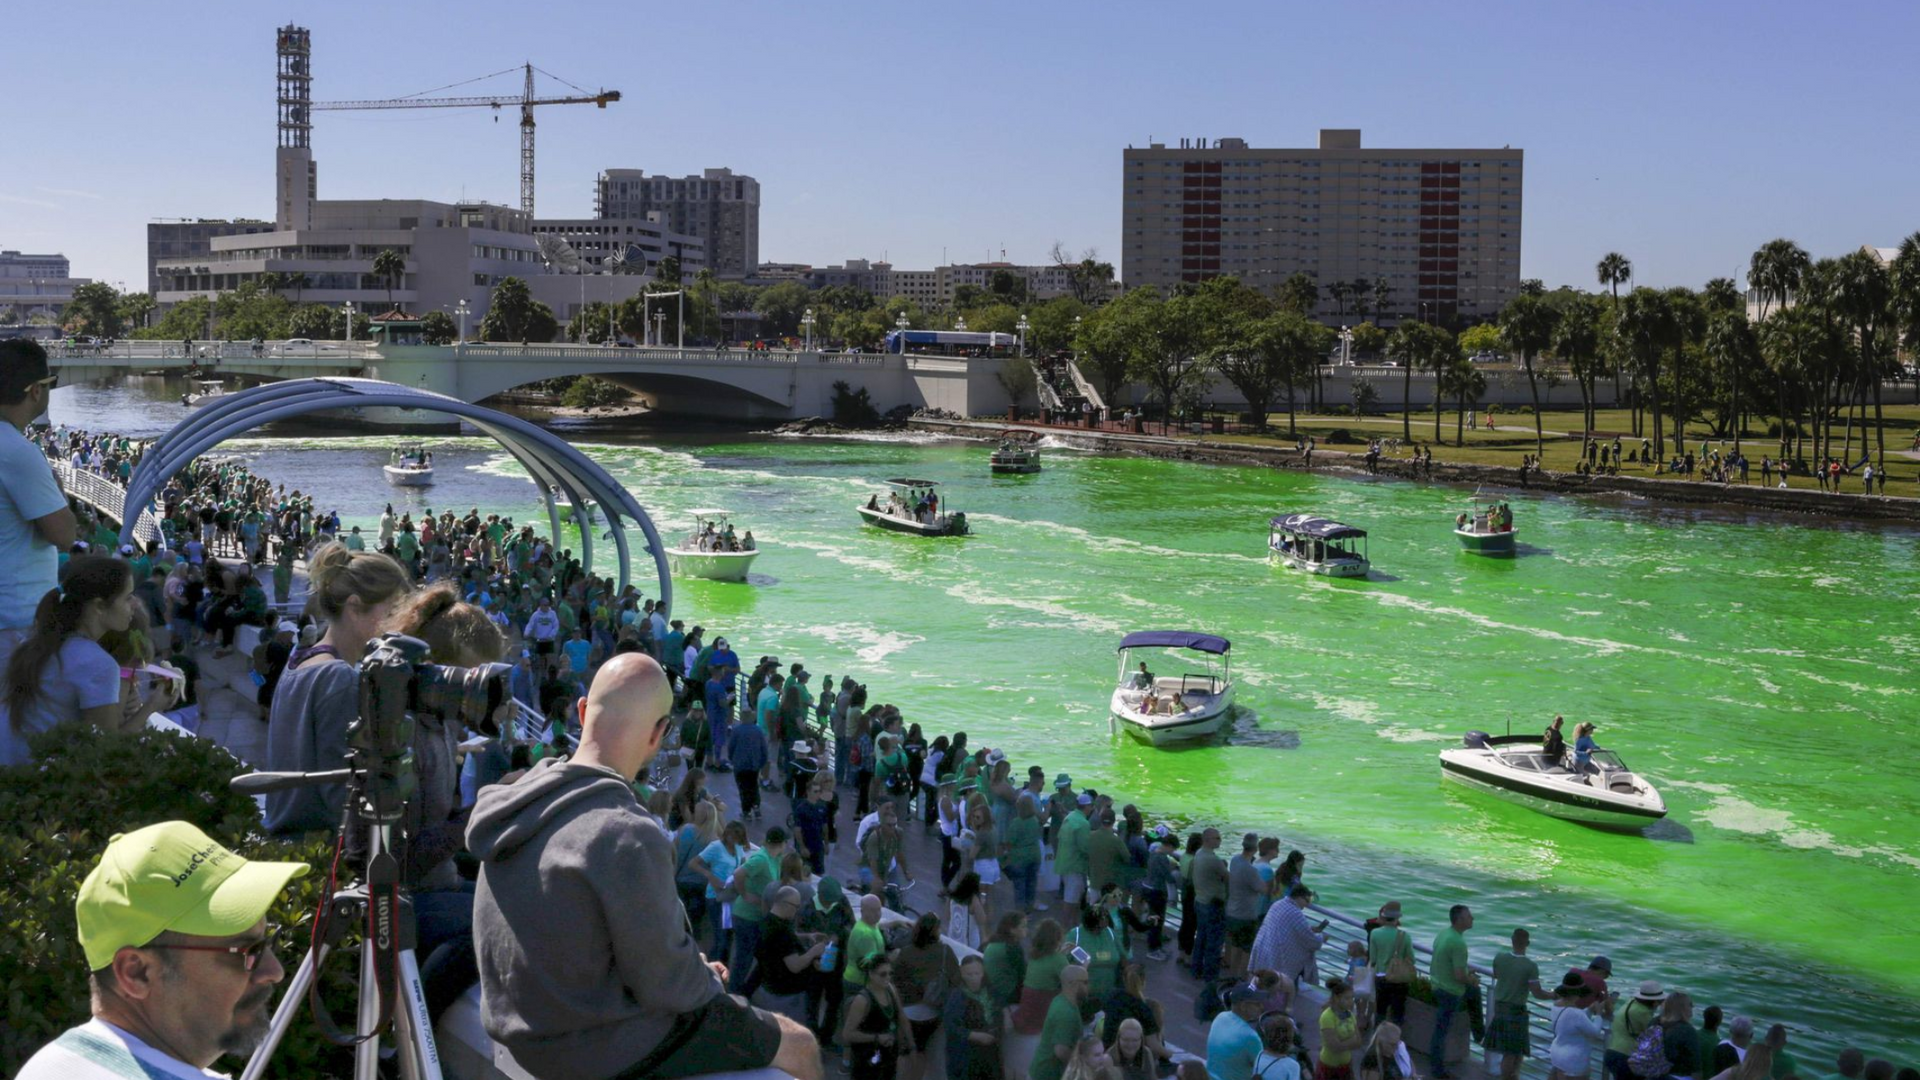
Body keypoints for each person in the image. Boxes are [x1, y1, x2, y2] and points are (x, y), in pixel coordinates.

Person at [465, 653, 821, 1080]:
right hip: (587, 1048)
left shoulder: (517, 802)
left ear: (582, 712)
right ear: (659, 734)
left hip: (519, 1029)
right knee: (799, 1044)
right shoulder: (627, 832)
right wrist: (705, 978)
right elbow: (668, 985)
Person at [13, 821, 308, 1080]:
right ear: (136, 973)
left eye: (267, 943)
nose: (275, 972)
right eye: (248, 951)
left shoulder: (54, 1063)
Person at [263, 542, 412, 834]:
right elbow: (342, 796)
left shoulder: (300, 659)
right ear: (355, 607)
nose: (400, 623)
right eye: (393, 610)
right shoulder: (339, 677)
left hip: (287, 838)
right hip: (319, 854)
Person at [2, 556, 177, 767]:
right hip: (39, 781)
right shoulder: (97, 663)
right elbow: (104, 750)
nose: (134, 604)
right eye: (127, 597)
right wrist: (153, 706)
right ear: (99, 606)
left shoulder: (39, 642)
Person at [0, 340, 78, 668]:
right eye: (50, 384)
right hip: (17, 616)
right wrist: (58, 489)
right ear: (34, 390)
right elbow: (64, 534)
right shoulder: (16, 450)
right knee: (21, 716)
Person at [754, 886, 827, 1025]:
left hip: (769, 986)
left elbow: (782, 945)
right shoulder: (782, 931)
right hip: (787, 994)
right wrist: (814, 951)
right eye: (796, 906)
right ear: (786, 904)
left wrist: (806, 936)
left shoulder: (766, 921)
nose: (797, 910)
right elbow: (795, 966)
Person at [1490, 928, 1555, 1079]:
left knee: (1514, 1050)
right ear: (1528, 943)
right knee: (1512, 1052)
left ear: (1511, 940)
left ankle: (1514, 1076)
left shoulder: (1499, 958)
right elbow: (1537, 993)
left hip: (1499, 1007)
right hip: (1516, 1010)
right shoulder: (1530, 966)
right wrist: (1553, 995)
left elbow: (1496, 974)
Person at [1249, 883, 1328, 1008]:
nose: (1307, 904)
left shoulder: (1278, 904)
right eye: (1307, 900)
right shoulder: (1296, 913)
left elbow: (1290, 929)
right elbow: (1309, 939)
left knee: (1262, 985)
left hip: (1264, 949)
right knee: (1284, 988)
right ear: (1300, 897)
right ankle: (1283, 1010)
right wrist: (1322, 937)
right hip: (1279, 957)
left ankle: (1260, 1006)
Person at [1428, 904, 1482, 1080]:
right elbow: (1459, 976)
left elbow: (1449, 963)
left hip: (1437, 984)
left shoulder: (1444, 934)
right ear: (1460, 920)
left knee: (1474, 993)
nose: (1472, 918)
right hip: (1449, 991)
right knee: (1440, 1032)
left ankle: (1479, 1033)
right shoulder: (1458, 942)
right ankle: (1437, 1071)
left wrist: (1467, 974)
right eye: (1469, 916)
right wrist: (1471, 978)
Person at [844, 952, 914, 1080]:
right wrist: (877, 1038)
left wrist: (912, 1046)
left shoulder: (890, 989)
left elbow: (902, 1017)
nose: (888, 977)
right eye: (883, 974)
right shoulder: (863, 1000)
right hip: (867, 1062)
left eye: (890, 973)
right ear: (871, 974)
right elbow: (848, 1034)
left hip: (888, 1058)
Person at [946, 954, 1005, 1080]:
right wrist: (975, 1035)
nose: (974, 977)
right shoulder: (957, 996)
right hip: (965, 1056)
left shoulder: (991, 992)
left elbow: (999, 1015)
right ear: (962, 974)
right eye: (969, 974)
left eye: (977, 973)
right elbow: (951, 1025)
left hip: (990, 1053)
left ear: (983, 973)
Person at [1547, 972, 1612, 1080]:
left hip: (1557, 1052)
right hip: (1574, 1058)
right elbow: (1595, 1032)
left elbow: (1571, 1022)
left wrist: (1589, 1010)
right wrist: (1599, 1014)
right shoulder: (1576, 1014)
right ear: (1577, 993)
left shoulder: (1555, 1005)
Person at [1032, 964, 1091, 1080]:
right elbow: (1061, 1050)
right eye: (1085, 982)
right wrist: (1082, 1066)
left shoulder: (1060, 1000)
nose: (1088, 986)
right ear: (1073, 984)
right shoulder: (1066, 1013)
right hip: (1048, 1075)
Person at [1189, 827, 1229, 982]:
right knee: (1214, 942)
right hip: (1213, 905)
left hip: (1200, 901)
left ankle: (1196, 969)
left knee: (1201, 937)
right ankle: (1210, 975)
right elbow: (1228, 878)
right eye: (1217, 838)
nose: (1220, 840)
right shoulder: (1213, 860)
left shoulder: (1199, 854)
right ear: (1207, 840)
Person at [1368, 901, 1416, 1027]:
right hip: (1399, 979)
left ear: (1383, 916)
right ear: (1398, 918)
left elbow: (1372, 959)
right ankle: (1394, 1042)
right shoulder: (1405, 936)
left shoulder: (1375, 933)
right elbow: (1412, 959)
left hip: (1381, 976)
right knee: (1398, 1013)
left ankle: (1377, 1039)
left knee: (1380, 1011)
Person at [1608, 982, 1668, 1080]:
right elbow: (1656, 1035)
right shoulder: (1643, 1014)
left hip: (1613, 1052)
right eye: (1660, 1002)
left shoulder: (1631, 1002)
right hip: (1626, 1058)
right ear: (1655, 1003)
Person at [1207, 983, 1266, 1080]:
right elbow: (1263, 1069)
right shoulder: (1250, 1036)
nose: (1261, 1007)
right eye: (1257, 1004)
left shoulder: (1220, 1017)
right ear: (1243, 1006)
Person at [1318, 976, 1366, 1080]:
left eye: (1352, 998)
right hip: (1329, 1065)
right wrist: (1351, 1041)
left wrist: (1343, 1043)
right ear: (1336, 998)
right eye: (1347, 998)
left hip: (1346, 1064)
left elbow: (1359, 1042)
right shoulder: (1327, 1016)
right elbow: (1334, 1047)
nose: (1351, 1002)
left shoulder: (1350, 1015)